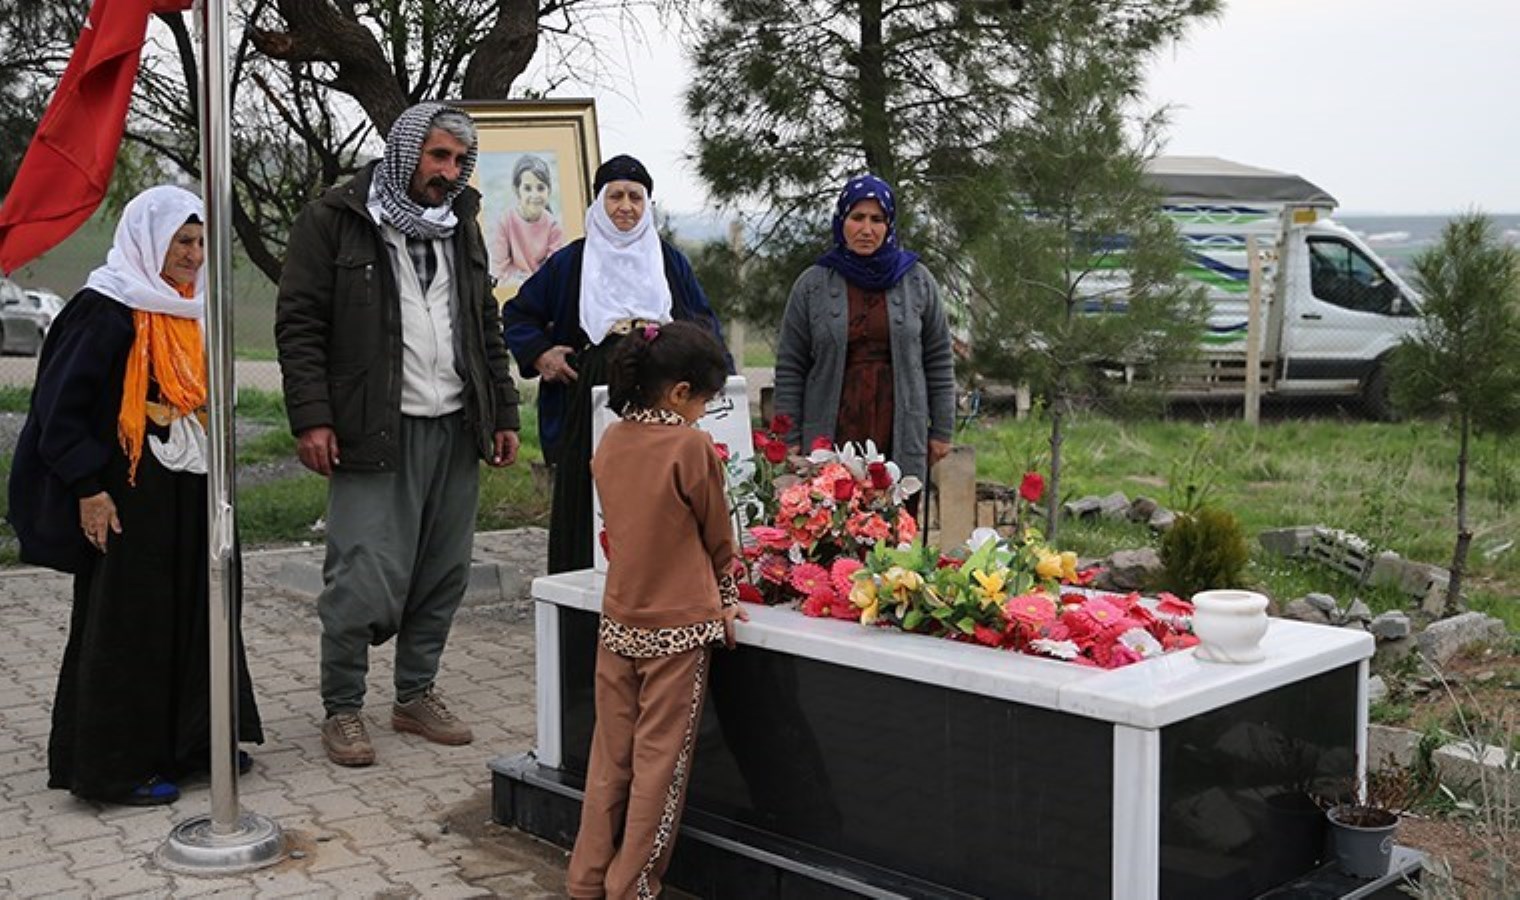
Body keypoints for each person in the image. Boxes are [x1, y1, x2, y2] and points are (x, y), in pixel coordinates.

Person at [275, 102, 522, 768]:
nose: (447, 173)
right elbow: (299, 327)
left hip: (455, 425)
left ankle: (414, 694)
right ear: (406, 149)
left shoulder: (461, 226)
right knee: (361, 573)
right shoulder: (337, 219)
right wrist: (313, 417)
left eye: (458, 161)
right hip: (372, 427)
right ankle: (343, 707)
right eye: (437, 156)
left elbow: (484, 326)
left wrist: (502, 412)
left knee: (444, 572)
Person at [9, 185, 263, 806]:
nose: (195, 255)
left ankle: (195, 743)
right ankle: (115, 768)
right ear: (149, 240)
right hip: (124, 494)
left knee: (198, 608)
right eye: (182, 241)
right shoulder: (104, 308)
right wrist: (88, 490)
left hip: (186, 487)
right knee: (130, 623)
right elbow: (58, 411)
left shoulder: (186, 307)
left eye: (201, 242)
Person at [565, 320, 747, 900]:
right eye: (705, 400)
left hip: (619, 618)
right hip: (678, 627)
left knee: (608, 757)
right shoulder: (689, 445)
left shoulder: (612, 438)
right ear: (678, 393)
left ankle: (586, 878)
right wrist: (728, 587)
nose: (706, 412)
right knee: (659, 767)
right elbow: (717, 531)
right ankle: (633, 886)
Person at [503, 154, 728, 574]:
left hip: (664, 388)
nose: (626, 206)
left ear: (648, 205)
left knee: (661, 489)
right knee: (590, 491)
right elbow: (518, 314)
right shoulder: (572, 261)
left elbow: (703, 321)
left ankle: (658, 589)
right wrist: (541, 353)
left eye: (635, 197)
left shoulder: (669, 261)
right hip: (593, 388)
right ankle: (583, 596)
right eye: (616, 196)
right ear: (598, 204)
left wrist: (717, 380)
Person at [774, 174, 955, 502]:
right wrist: (789, 436)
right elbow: (791, 364)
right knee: (830, 521)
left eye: (877, 219)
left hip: (898, 424)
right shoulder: (813, 285)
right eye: (857, 218)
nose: (866, 229)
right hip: (834, 422)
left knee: (895, 526)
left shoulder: (918, 281)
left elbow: (939, 359)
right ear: (842, 221)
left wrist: (942, 430)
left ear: (889, 225)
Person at [488, 154, 566, 289]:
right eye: (528, 188)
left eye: (540, 188)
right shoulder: (505, 222)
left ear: (549, 190)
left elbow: (555, 270)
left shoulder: (553, 227)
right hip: (512, 289)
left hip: (541, 291)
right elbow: (498, 267)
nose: (535, 195)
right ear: (517, 190)